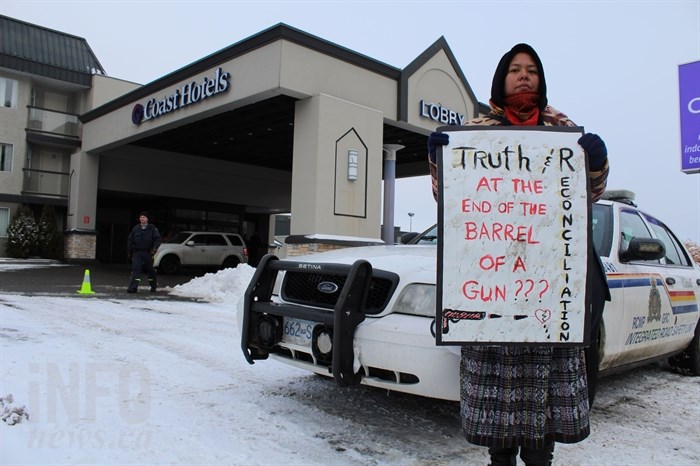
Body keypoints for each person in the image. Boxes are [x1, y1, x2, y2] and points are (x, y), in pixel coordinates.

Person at [428, 43, 611, 466]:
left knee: (541, 409)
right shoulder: (473, 133)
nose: (524, 76)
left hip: (546, 289)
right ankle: (500, 459)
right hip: (492, 291)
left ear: (541, 80)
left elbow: (590, 195)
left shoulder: (565, 131)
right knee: (498, 411)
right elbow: (448, 202)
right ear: (501, 79)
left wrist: (597, 163)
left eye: (531, 70)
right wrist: (439, 161)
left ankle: (541, 457)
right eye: (515, 69)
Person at [126, 211, 162, 293]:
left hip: (148, 253)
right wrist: (129, 251)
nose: (142, 219)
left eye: (144, 217)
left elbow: (157, 239)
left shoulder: (152, 228)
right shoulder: (136, 228)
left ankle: (153, 286)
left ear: (147, 219)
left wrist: (154, 249)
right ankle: (133, 287)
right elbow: (130, 240)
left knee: (150, 270)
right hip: (137, 252)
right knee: (136, 269)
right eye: (141, 217)